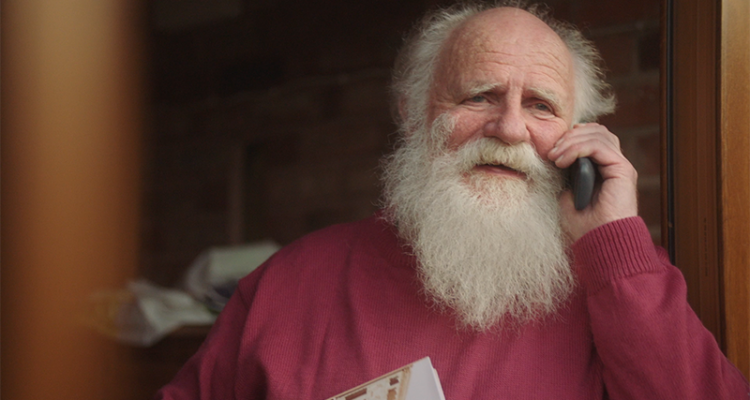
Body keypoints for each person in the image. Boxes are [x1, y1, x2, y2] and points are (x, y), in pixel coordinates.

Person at [157, 3, 750, 399]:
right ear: (414, 115)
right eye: (478, 96)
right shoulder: (289, 283)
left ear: (579, 140)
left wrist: (615, 248)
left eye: (541, 106)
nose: (511, 128)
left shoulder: (618, 286)